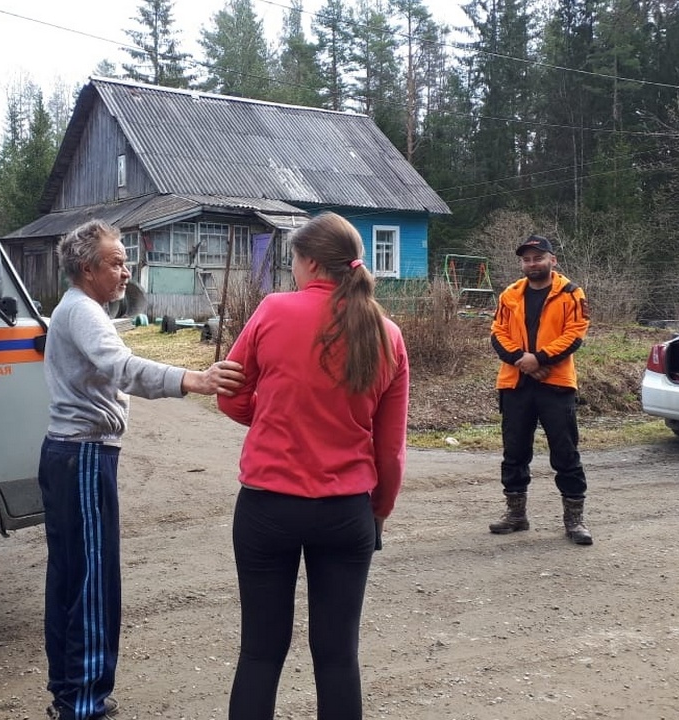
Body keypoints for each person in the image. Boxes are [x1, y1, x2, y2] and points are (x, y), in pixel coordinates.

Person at [39, 219, 245, 720]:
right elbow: (122, 367)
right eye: (116, 262)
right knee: (91, 583)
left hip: (71, 454)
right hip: (84, 457)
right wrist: (192, 378)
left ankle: (70, 694)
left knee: (70, 577)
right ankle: (84, 705)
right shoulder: (84, 311)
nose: (126, 272)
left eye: (125, 262)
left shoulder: (78, 309)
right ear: (87, 269)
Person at [217, 212, 410, 720]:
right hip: (346, 512)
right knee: (338, 655)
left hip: (266, 507)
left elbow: (231, 396)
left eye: (293, 261)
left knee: (259, 651)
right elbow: (390, 448)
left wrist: (275, 416)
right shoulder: (387, 332)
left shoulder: (273, 310)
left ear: (307, 262)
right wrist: (380, 511)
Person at [489, 234, 593, 545]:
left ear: (552, 260)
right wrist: (524, 360)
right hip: (516, 383)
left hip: (556, 385)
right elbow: (498, 334)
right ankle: (516, 515)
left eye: (538, 257)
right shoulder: (509, 295)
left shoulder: (571, 294)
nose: (532, 263)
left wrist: (541, 358)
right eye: (526, 259)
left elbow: (575, 335)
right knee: (515, 452)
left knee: (565, 453)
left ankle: (574, 521)